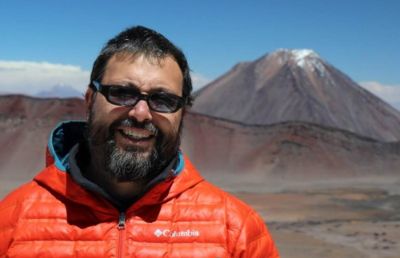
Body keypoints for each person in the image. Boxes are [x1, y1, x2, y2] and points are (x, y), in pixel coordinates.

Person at [0, 25, 279, 257]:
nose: (141, 113)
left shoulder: (237, 232)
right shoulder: (11, 221)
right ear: (89, 100)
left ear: (183, 113)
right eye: (121, 93)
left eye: (163, 100)